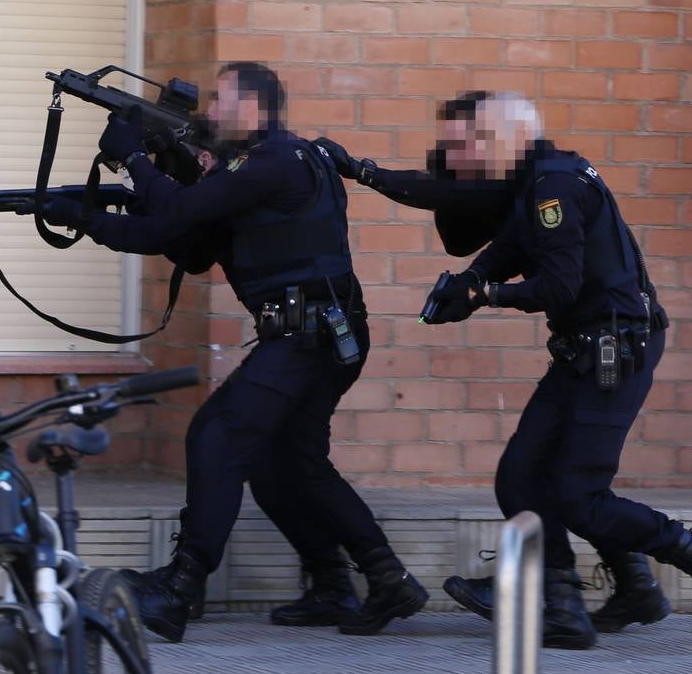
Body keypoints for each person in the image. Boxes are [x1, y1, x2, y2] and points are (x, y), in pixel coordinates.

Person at [340, 92, 692, 650]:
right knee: (521, 475)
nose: (465, 153)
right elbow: (512, 243)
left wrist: (489, 294)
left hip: (613, 351)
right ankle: (575, 604)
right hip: (586, 347)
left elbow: (560, 284)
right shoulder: (539, 178)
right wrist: (471, 280)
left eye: (474, 141)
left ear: (505, 138)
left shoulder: (553, 185)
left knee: (580, 494)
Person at [42, 61, 427, 642]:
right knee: (284, 465)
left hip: (310, 333)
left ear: (252, 109)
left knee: (217, 434)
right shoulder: (258, 169)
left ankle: (181, 586)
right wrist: (86, 217)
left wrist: (137, 161)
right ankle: (359, 580)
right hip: (323, 333)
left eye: (220, 101)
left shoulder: (273, 161)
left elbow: (176, 213)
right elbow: (178, 240)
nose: (208, 114)